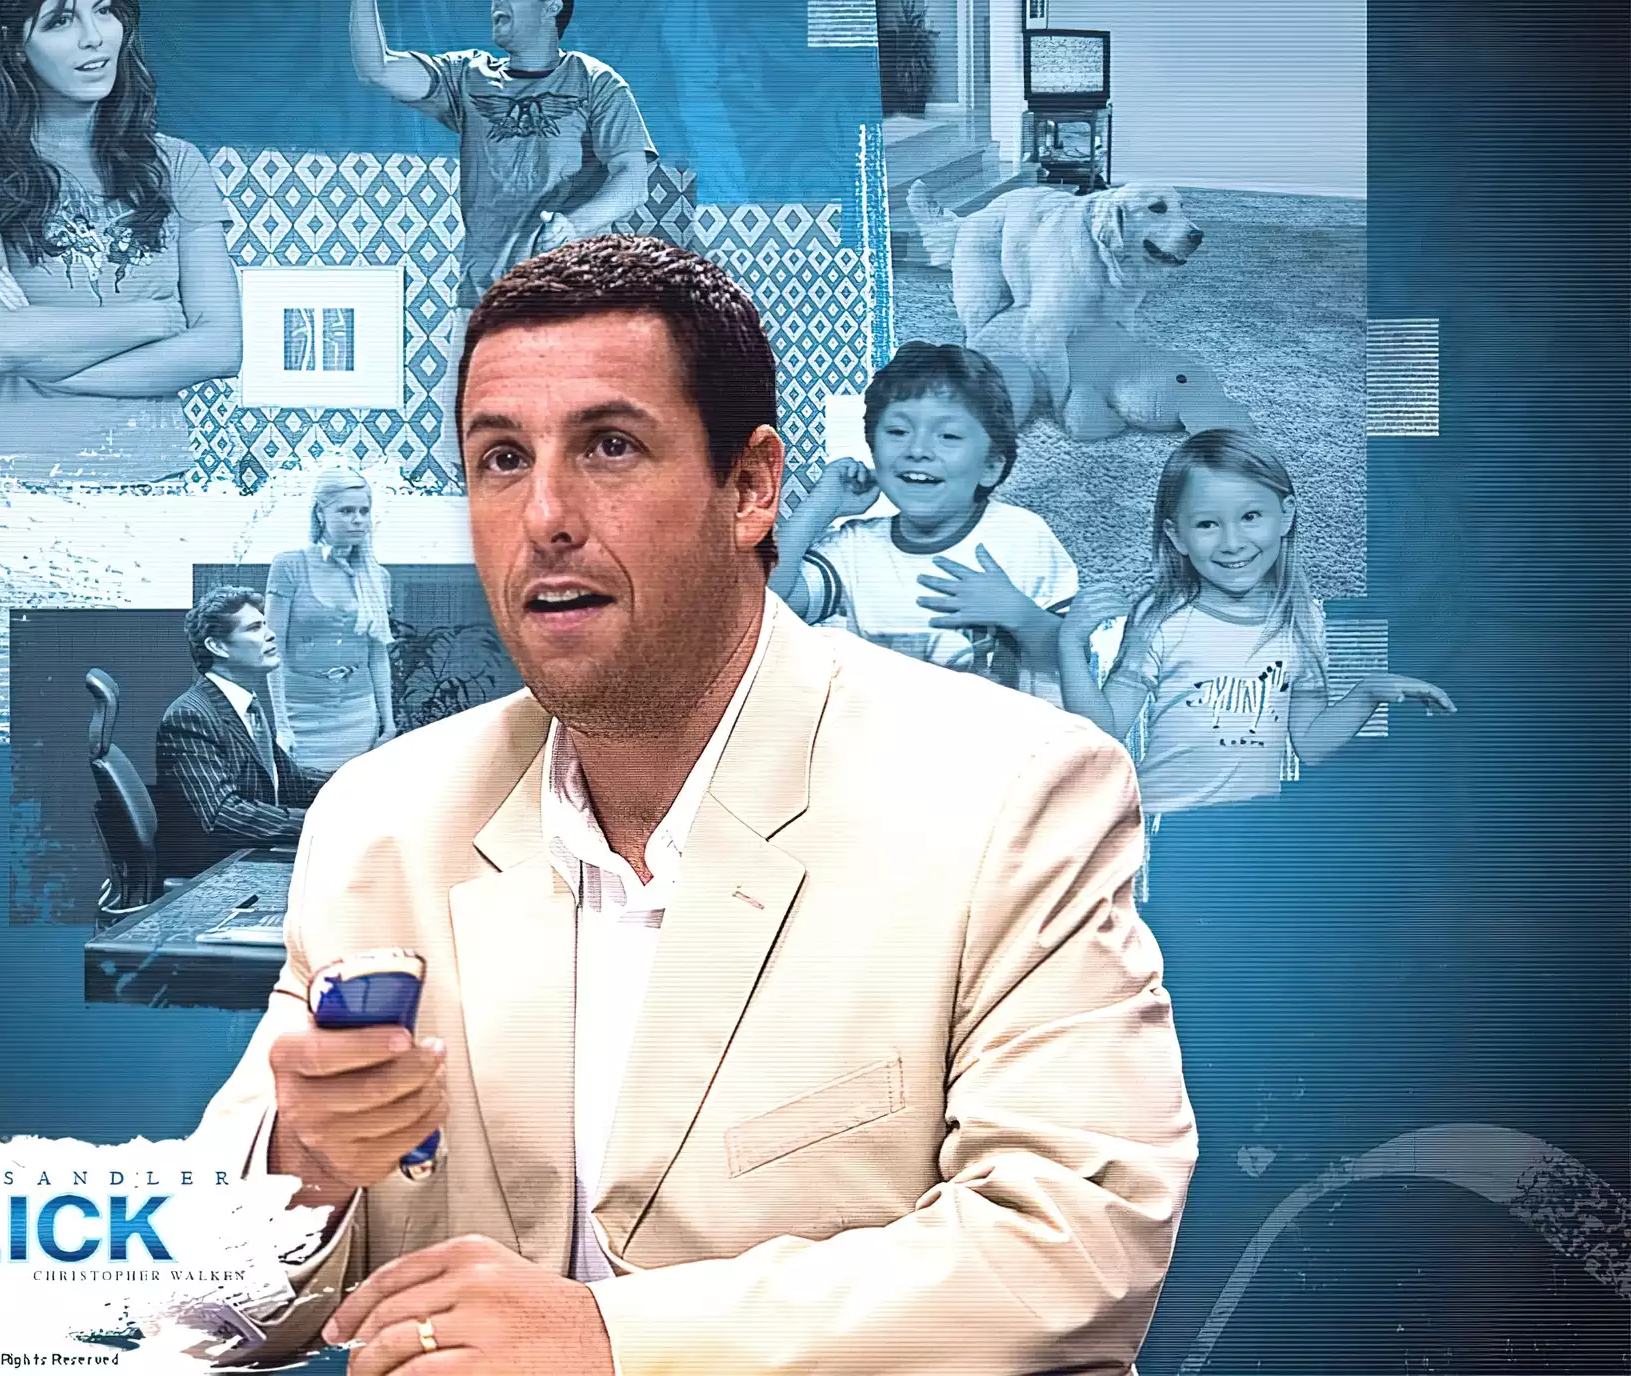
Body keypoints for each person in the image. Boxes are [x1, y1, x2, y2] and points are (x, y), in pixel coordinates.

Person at [196, 236, 1194, 1373]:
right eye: (502, 459)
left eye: (610, 447)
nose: (545, 516)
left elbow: (1072, 1248)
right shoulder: (382, 819)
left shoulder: (1015, 792)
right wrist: (308, 1173)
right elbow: (195, 1301)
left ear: (753, 488)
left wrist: (612, 1341)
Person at [0, 0, 241, 719]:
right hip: (12, 502)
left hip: (151, 501)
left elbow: (220, 345)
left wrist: (51, 351)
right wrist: (154, 318)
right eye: (62, 20)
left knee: (135, 751)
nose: (95, 38)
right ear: (15, 42)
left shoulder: (179, 167)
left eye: (105, 11)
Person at [338, 0, 654, 469]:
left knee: (567, 446)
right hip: (482, 295)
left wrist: (574, 224)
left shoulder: (596, 83)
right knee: (468, 448)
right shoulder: (468, 77)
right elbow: (378, 68)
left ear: (551, 7)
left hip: (568, 302)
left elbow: (632, 181)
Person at [1057, 429, 1456, 817]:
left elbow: (1311, 745)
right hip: (1170, 826)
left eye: (1250, 516)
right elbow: (1106, 732)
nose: (1232, 543)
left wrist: (1369, 692)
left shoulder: (1303, 619)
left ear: (1286, 516)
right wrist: (1070, 646)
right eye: (1207, 524)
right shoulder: (1161, 618)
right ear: (1177, 536)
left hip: (1254, 829)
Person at [770, 341, 1081, 702]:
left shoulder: (1021, 537)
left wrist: (1018, 614)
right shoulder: (852, 548)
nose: (917, 450)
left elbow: (1072, 662)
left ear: (991, 466)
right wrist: (819, 507)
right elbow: (766, 605)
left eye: (948, 436)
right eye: (898, 432)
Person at [155, 587, 328, 877]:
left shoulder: (247, 707)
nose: (270, 635)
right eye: (254, 628)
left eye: (266, 625)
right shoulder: (190, 717)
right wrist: (324, 823)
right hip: (218, 877)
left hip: (250, 862)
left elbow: (293, 783)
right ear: (218, 647)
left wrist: (362, 784)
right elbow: (224, 815)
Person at [265, 468, 398, 773]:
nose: (357, 520)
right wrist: (282, 726)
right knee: (304, 795)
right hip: (301, 714)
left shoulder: (377, 577)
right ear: (320, 513)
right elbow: (273, 650)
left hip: (359, 715)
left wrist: (388, 723)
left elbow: (378, 656)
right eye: (346, 511)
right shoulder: (289, 566)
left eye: (364, 511)